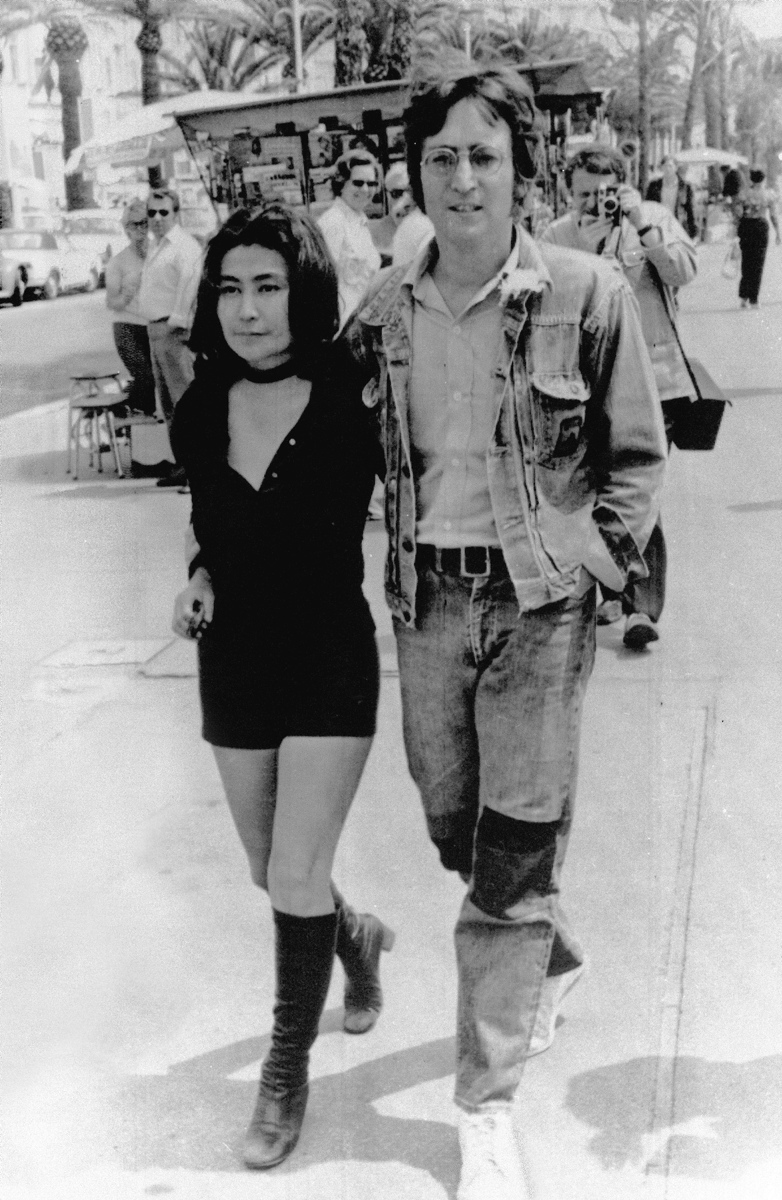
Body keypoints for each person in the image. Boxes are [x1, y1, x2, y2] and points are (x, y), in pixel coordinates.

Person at [348, 63, 666, 1200]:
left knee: (513, 854)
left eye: (483, 155)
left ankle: (484, 1108)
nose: (462, 178)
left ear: (520, 170)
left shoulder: (587, 293)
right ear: (415, 175)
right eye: (440, 157)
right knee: (454, 829)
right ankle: (549, 956)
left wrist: (591, 571)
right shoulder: (380, 313)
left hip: (538, 611)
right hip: (427, 605)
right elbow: (330, 451)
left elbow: (634, 458)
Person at [170, 203, 390, 1171]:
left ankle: (283, 1073)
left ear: (304, 293)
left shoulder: (353, 394)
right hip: (234, 659)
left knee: (295, 875)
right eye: (230, 289)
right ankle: (357, 937)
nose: (248, 311)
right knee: (272, 872)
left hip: (329, 656)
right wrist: (197, 576)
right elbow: (206, 520)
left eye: (268, 287)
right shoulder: (198, 404)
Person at [543, 144, 697, 649]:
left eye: (604, 192)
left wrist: (644, 228)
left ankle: (640, 608)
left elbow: (683, 272)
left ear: (623, 186)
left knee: (638, 490)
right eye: (583, 195)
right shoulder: (556, 237)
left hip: (655, 381)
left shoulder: (651, 218)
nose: (595, 204)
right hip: (583, 388)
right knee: (590, 492)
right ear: (568, 193)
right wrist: (586, 256)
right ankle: (612, 590)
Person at [138, 187, 203, 486]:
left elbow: (190, 288)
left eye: (164, 212)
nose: (157, 218)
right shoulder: (158, 246)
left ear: (176, 214)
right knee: (168, 404)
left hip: (173, 330)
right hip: (156, 330)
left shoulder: (183, 246)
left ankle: (197, 472)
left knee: (185, 404)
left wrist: (177, 323)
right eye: (151, 212)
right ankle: (183, 466)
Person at [317, 149, 383, 324]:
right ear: (341, 183)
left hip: (361, 321)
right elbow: (321, 283)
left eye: (371, 183)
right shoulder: (333, 222)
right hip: (342, 325)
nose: (366, 189)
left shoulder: (359, 221)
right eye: (358, 183)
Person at [104, 199, 157, 416]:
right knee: (146, 377)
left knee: (151, 390)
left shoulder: (158, 254)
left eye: (144, 223)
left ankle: (121, 407)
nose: (141, 229)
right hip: (126, 327)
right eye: (135, 224)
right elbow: (111, 302)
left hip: (152, 326)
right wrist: (127, 294)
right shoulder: (118, 262)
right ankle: (113, 407)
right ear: (126, 228)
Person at [733, 167, 781, 308]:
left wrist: (736, 229)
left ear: (751, 179)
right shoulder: (769, 194)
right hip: (760, 227)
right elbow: (773, 215)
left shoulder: (743, 194)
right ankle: (754, 299)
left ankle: (743, 297)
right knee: (758, 263)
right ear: (763, 179)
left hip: (746, 226)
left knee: (746, 262)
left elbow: (737, 213)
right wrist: (777, 232)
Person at [646, 155, 697, 240]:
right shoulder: (654, 185)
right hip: (658, 227)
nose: (667, 169)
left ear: (676, 168)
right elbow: (648, 206)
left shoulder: (685, 187)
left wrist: (693, 233)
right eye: (665, 166)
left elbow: (691, 210)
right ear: (661, 168)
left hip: (677, 226)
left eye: (670, 166)